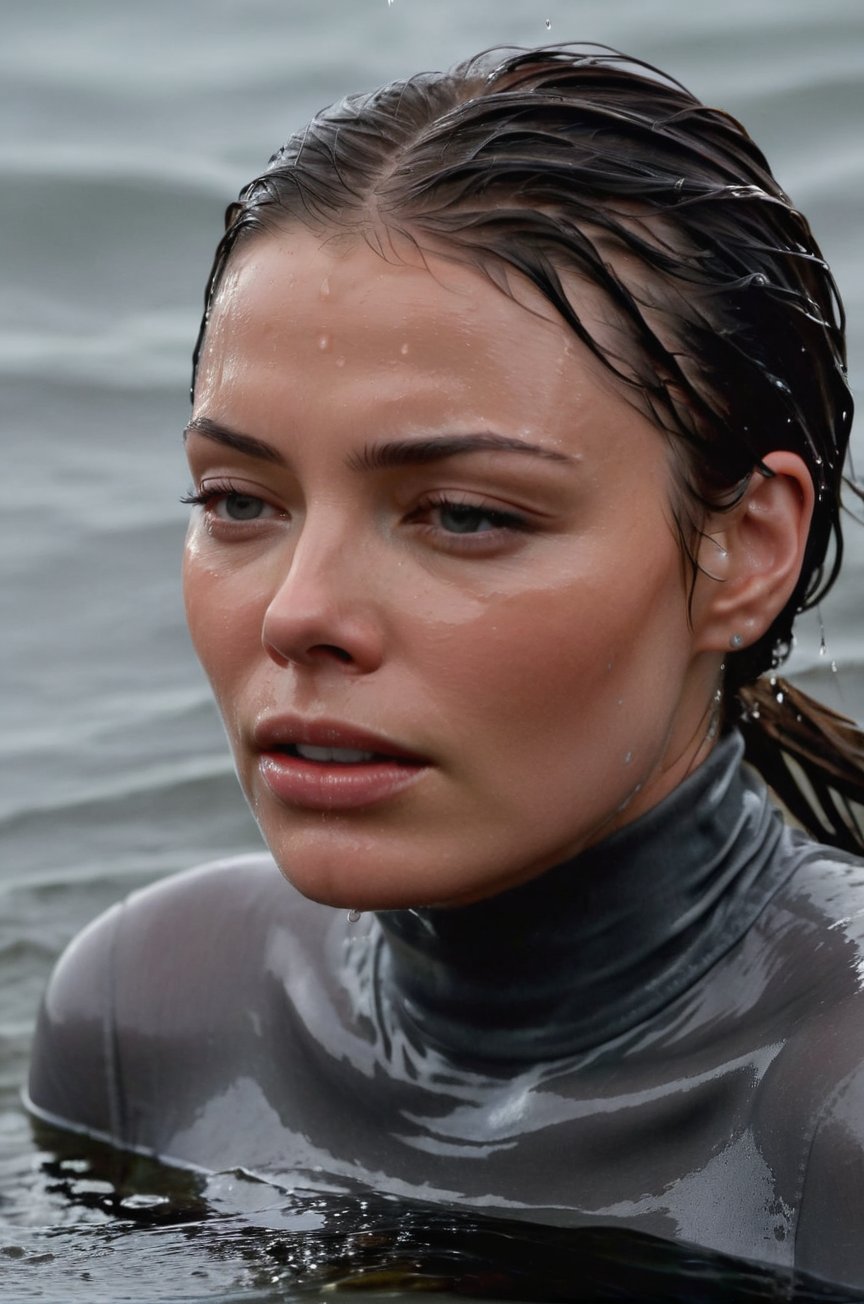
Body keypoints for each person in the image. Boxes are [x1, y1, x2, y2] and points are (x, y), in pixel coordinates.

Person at [27, 43, 864, 1288]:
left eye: (466, 514)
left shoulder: (833, 1122)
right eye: (238, 499)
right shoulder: (151, 1021)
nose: (299, 614)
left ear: (746, 549)